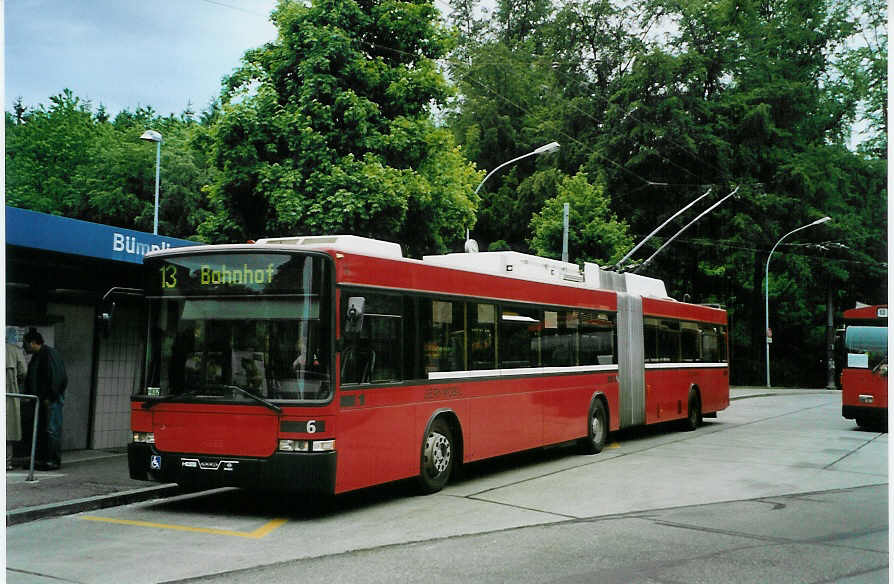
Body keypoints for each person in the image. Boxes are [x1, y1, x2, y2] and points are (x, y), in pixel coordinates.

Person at [23, 328, 67, 471]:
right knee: (43, 429)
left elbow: (58, 377)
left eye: (26, 344)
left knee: (51, 429)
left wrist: (50, 396)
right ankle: (43, 459)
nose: (24, 348)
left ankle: (52, 460)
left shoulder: (49, 354)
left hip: (50, 399)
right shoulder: (39, 355)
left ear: (33, 343)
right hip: (42, 399)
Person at [6, 327, 27, 470]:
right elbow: (24, 371)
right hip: (10, 391)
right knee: (8, 428)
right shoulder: (15, 351)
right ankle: (7, 462)